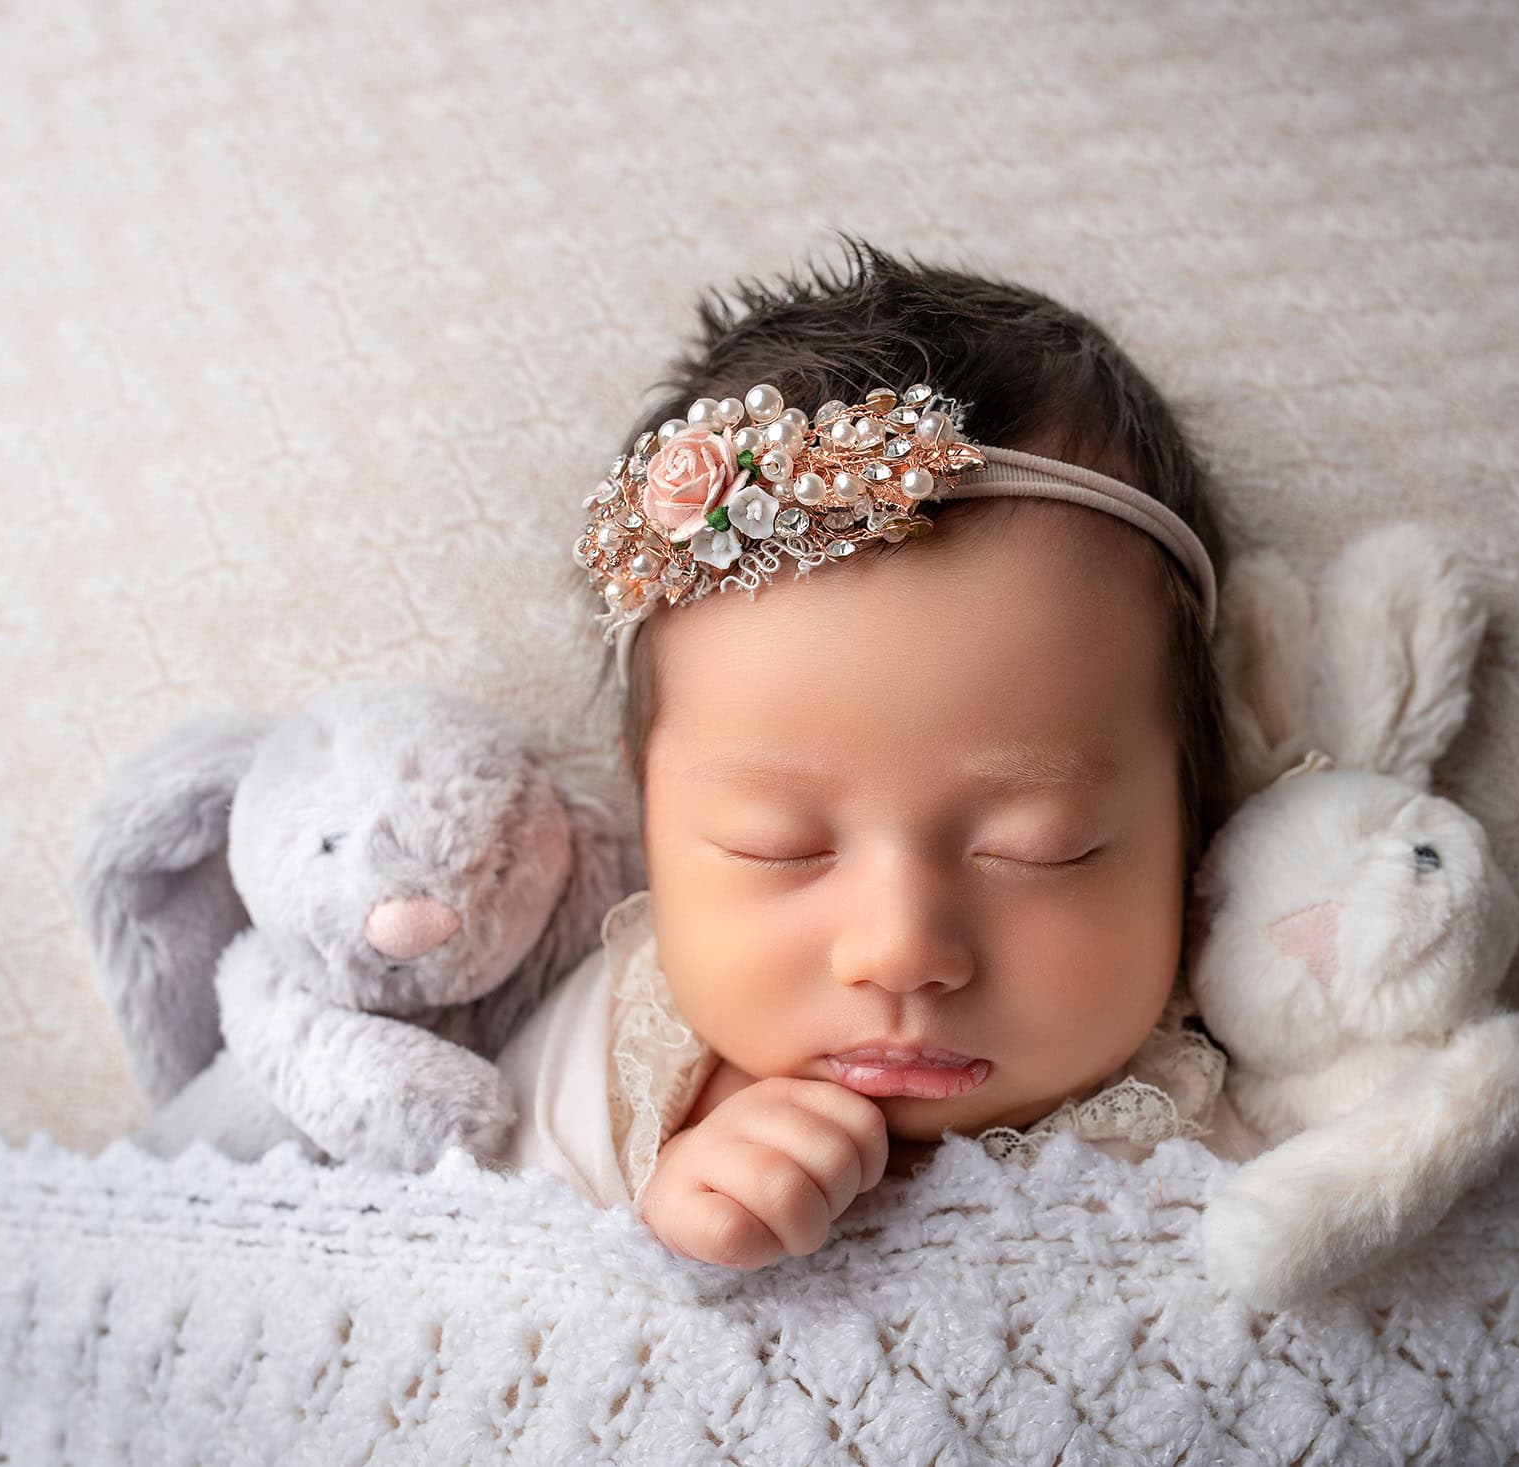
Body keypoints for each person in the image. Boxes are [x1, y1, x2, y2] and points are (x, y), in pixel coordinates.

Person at [492, 234, 1265, 1269]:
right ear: (649, 813)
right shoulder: (610, 1068)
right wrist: (666, 1207)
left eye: (1040, 847)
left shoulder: (1259, 1089)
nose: (899, 951)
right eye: (775, 846)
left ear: (1195, 809)